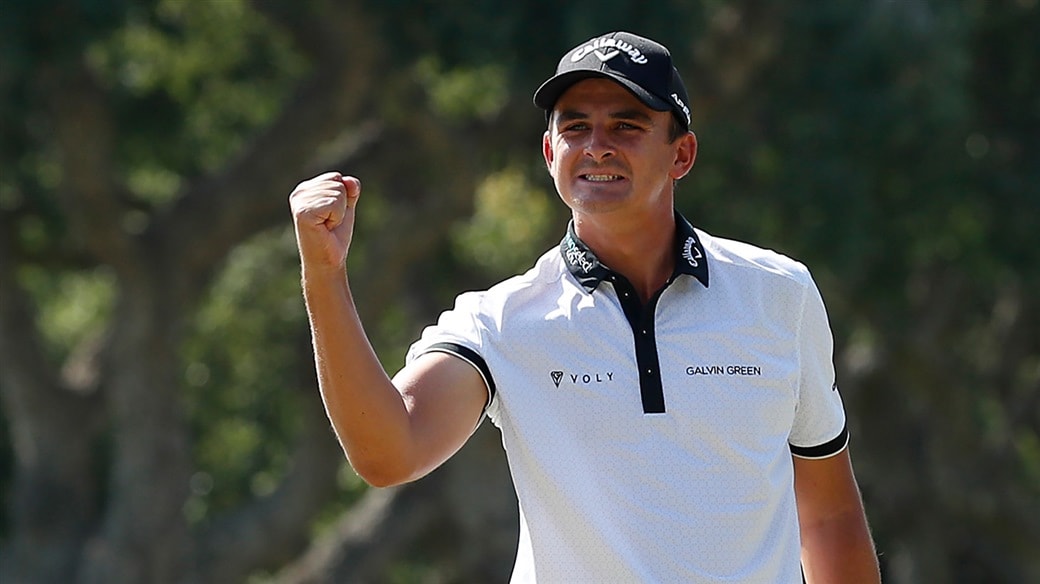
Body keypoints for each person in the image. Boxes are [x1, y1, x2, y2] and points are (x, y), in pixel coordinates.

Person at [290, 30, 880, 584]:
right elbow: (389, 454)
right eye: (576, 127)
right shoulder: (502, 323)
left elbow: (827, 517)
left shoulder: (779, 294)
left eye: (627, 125)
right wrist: (324, 276)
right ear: (550, 152)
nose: (597, 146)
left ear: (682, 155)